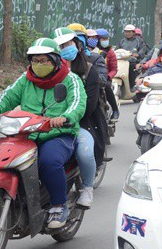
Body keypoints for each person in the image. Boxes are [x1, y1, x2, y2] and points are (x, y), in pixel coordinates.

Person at [0, 38, 86, 228]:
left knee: (49, 161)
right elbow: (7, 96)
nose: (39, 65)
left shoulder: (70, 79)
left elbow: (78, 103)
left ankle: (58, 205)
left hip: (57, 134)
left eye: (44, 60)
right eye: (35, 61)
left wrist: (65, 117)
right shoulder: (25, 79)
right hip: (26, 134)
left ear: (55, 60)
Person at [51, 27, 107, 209]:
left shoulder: (89, 70)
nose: (65, 48)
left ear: (78, 44)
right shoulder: (47, 71)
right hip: (49, 124)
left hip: (81, 123)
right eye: (60, 46)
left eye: (68, 44)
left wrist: (66, 116)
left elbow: (89, 107)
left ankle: (87, 188)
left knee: (84, 153)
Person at [95, 28, 120, 121]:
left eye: (106, 39)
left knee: (106, 87)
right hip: (93, 77)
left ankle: (115, 110)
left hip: (105, 78)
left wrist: (107, 77)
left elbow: (114, 69)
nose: (105, 41)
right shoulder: (92, 51)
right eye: (102, 39)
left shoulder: (110, 53)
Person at [118, 24, 147, 89]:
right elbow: (117, 50)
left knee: (131, 67)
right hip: (122, 61)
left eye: (129, 32)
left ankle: (132, 87)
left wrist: (138, 54)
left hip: (133, 62)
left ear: (133, 32)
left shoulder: (139, 41)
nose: (127, 33)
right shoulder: (122, 41)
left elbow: (142, 51)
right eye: (126, 31)